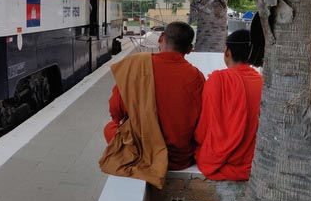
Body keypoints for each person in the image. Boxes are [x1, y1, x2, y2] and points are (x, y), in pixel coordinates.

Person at [102, 22, 205, 182]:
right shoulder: (197, 77)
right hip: (180, 159)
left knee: (110, 128)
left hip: (142, 152)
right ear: (190, 49)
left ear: (161, 38)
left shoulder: (136, 64)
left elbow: (115, 110)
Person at [194, 29, 263, 180]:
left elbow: (205, 125)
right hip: (252, 160)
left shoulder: (218, 80)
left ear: (227, 52)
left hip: (218, 160)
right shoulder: (262, 82)